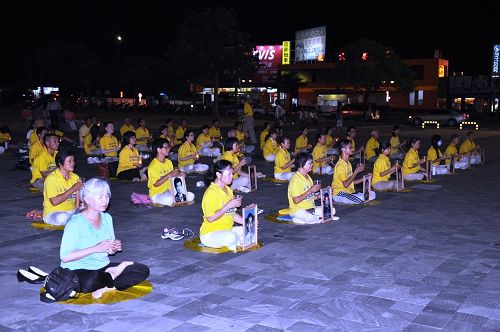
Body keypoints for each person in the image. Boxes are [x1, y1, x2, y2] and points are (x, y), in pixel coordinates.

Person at [59, 178, 150, 298]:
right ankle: (111, 279)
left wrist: (114, 247)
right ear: (87, 199)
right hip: (79, 269)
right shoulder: (75, 223)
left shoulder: (107, 218)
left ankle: (108, 283)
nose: (105, 201)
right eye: (100, 197)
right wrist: (95, 248)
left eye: (107, 196)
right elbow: (65, 257)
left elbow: (109, 251)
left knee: (141, 270)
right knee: (88, 282)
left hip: (102, 267)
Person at [200, 160, 249, 251]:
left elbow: (232, 214)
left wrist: (246, 221)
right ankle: (235, 242)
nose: (232, 177)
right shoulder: (211, 193)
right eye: (229, 173)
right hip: (210, 233)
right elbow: (210, 218)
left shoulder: (229, 190)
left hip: (227, 229)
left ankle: (235, 241)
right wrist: (228, 205)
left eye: (232, 173)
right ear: (218, 175)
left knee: (246, 231)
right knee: (230, 237)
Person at [148, 138, 194, 206]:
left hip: (170, 191)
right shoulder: (153, 165)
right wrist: (168, 175)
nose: (168, 149)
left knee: (191, 195)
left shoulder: (169, 162)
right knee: (169, 200)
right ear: (158, 149)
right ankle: (175, 199)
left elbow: (173, 177)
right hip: (158, 193)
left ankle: (175, 199)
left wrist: (180, 174)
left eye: (168, 147)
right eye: (165, 147)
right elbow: (155, 184)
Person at [43, 150, 83, 226]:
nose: (73, 163)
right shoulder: (51, 179)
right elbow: (54, 202)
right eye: (69, 161)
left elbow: (80, 200)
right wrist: (73, 189)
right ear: (60, 164)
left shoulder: (75, 177)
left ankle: (76, 220)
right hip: (54, 212)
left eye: (73, 160)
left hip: (72, 211)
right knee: (63, 217)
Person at [332, 139, 375, 204]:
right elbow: (346, 184)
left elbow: (351, 182)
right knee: (361, 197)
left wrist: (365, 178)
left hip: (348, 192)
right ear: (343, 149)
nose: (353, 149)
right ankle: (362, 197)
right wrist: (356, 171)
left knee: (372, 194)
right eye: (350, 147)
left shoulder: (348, 163)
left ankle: (362, 197)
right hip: (339, 193)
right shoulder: (340, 166)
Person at [287, 152, 321, 224]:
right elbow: (296, 200)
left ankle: (305, 218)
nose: (312, 165)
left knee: (331, 210)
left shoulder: (308, 177)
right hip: (298, 210)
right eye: (309, 163)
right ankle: (298, 218)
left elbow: (310, 197)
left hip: (310, 208)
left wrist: (319, 196)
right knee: (312, 218)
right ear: (301, 164)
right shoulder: (295, 180)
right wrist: (310, 190)